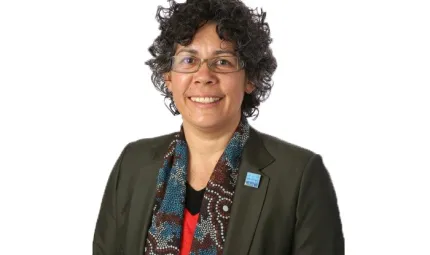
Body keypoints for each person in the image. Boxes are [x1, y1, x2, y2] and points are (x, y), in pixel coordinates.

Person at [92, 0, 344, 254]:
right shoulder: (133, 163)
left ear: (250, 78)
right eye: (189, 60)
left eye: (223, 62)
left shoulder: (299, 176)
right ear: (168, 77)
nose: (204, 76)